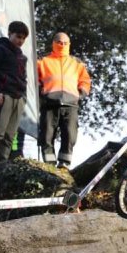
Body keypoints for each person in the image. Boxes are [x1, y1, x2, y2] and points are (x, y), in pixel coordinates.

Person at [37, 32, 91, 169]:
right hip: (49, 103)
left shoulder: (77, 63)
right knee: (47, 134)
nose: (62, 45)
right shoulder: (42, 61)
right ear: (54, 43)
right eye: (59, 42)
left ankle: (64, 164)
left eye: (65, 43)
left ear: (69, 45)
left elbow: (85, 81)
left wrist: (80, 94)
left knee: (70, 134)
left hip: (70, 104)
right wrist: (41, 95)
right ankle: (49, 164)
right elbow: (34, 81)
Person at [0, 21, 29, 165]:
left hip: (18, 98)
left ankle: (2, 164)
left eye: (23, 38)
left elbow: (23, 77)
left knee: (10, 135)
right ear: (10, 34)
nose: (20, 41)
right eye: (18, 36)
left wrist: (23, 98)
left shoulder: (22, 57)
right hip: (3, 96)